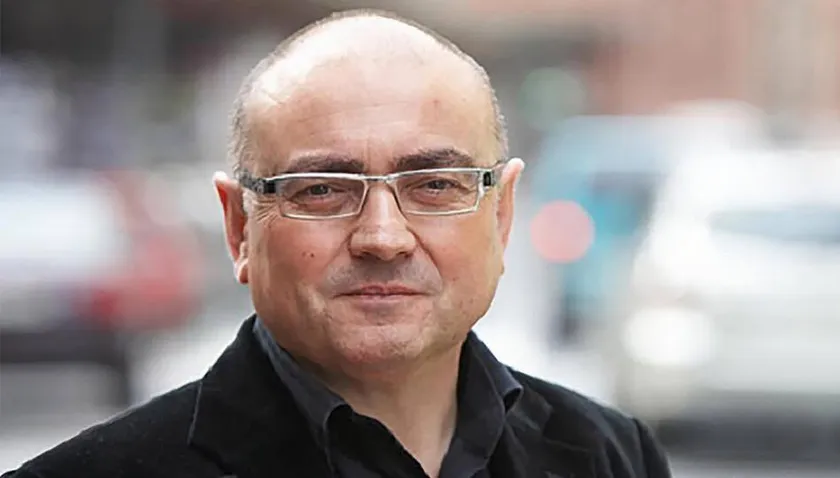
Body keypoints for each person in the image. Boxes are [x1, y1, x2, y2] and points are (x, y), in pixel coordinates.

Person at [3, 9, 671, 478]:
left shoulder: (612, 456)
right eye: (322, 190)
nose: (383, 237)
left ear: (501, 216)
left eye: (434, 185)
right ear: (239, 227)